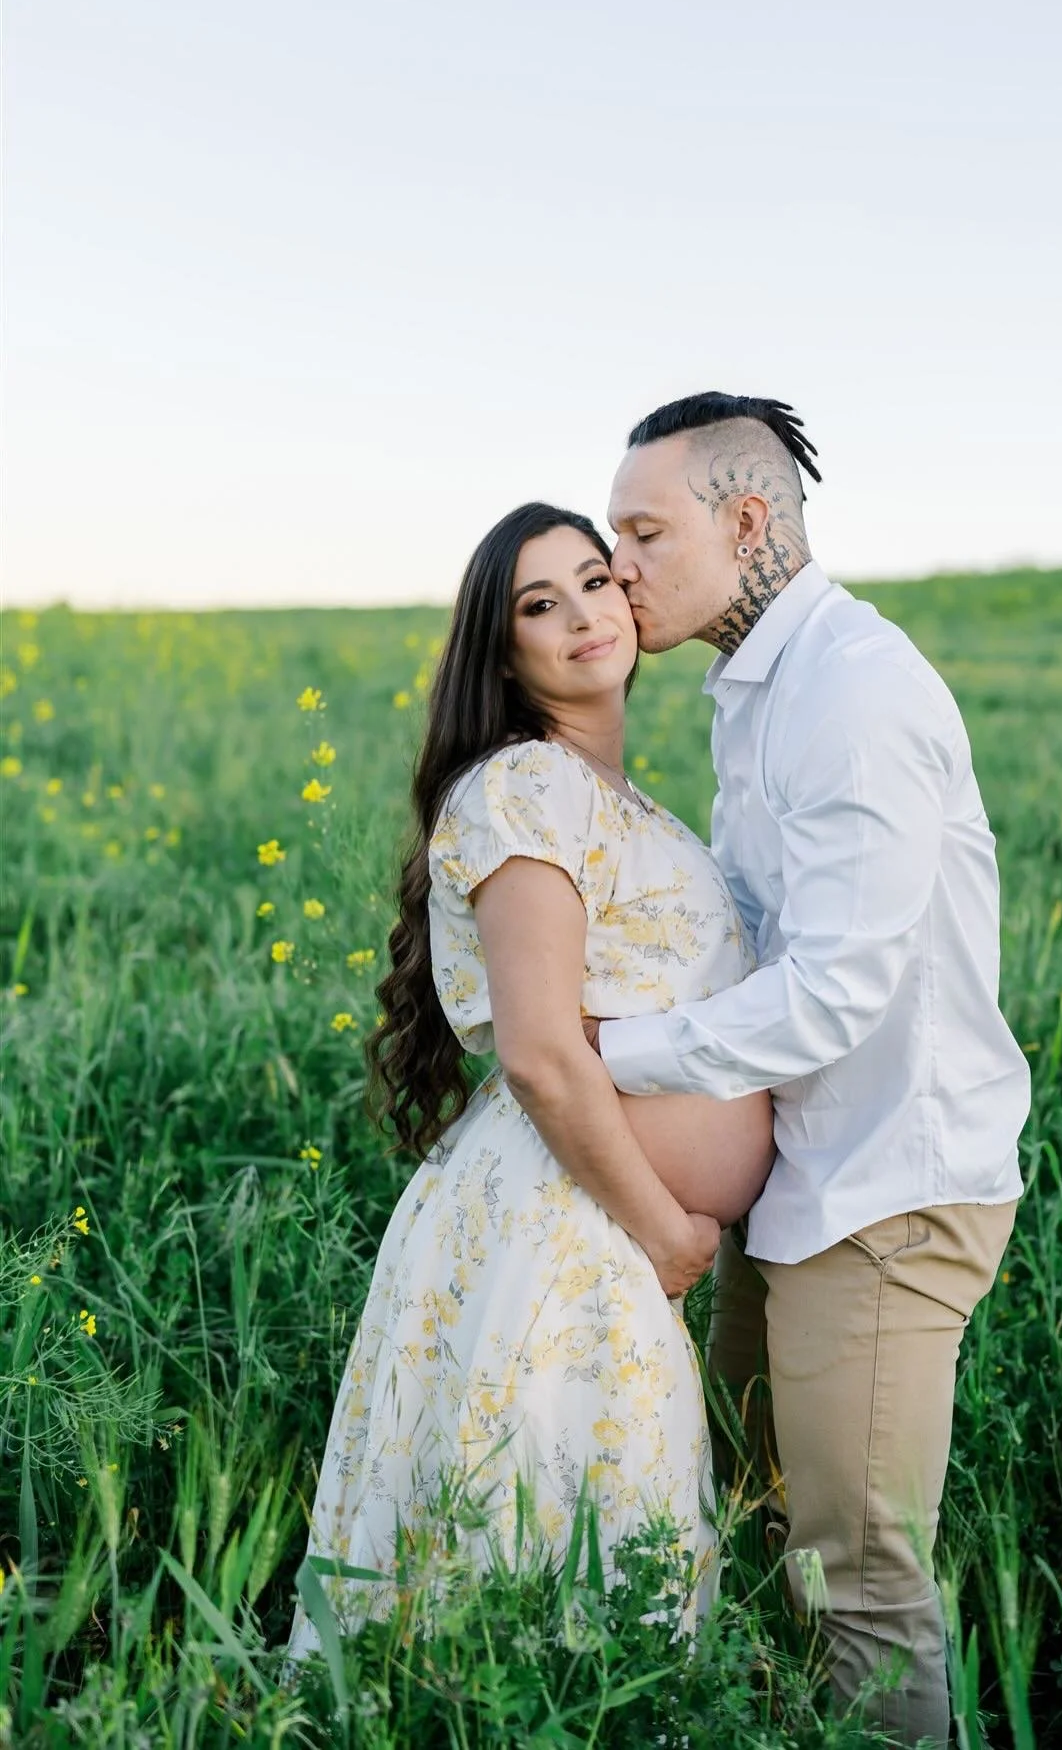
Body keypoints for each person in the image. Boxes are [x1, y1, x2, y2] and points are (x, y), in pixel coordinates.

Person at [587, 393, 1031, 1748]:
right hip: (798, 1180)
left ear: (747, 521)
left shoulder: (853, 690)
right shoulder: (755, 692)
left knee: (860, 1576)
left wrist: (612, 1062)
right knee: (742, 1502)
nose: (619, 566)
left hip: (885, 1196)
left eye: (644, 532)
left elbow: (835, 991)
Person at [287, 501, 774, 1660]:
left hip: (591, 1220)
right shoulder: (527, 788)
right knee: (545, 1552)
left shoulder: (609, 796)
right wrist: (663, 1228)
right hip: (576, 1225)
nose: (582, 615)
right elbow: (541, 1051)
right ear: (502, 652)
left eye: (597, 581)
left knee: (581, 1547)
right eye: (538, 605)